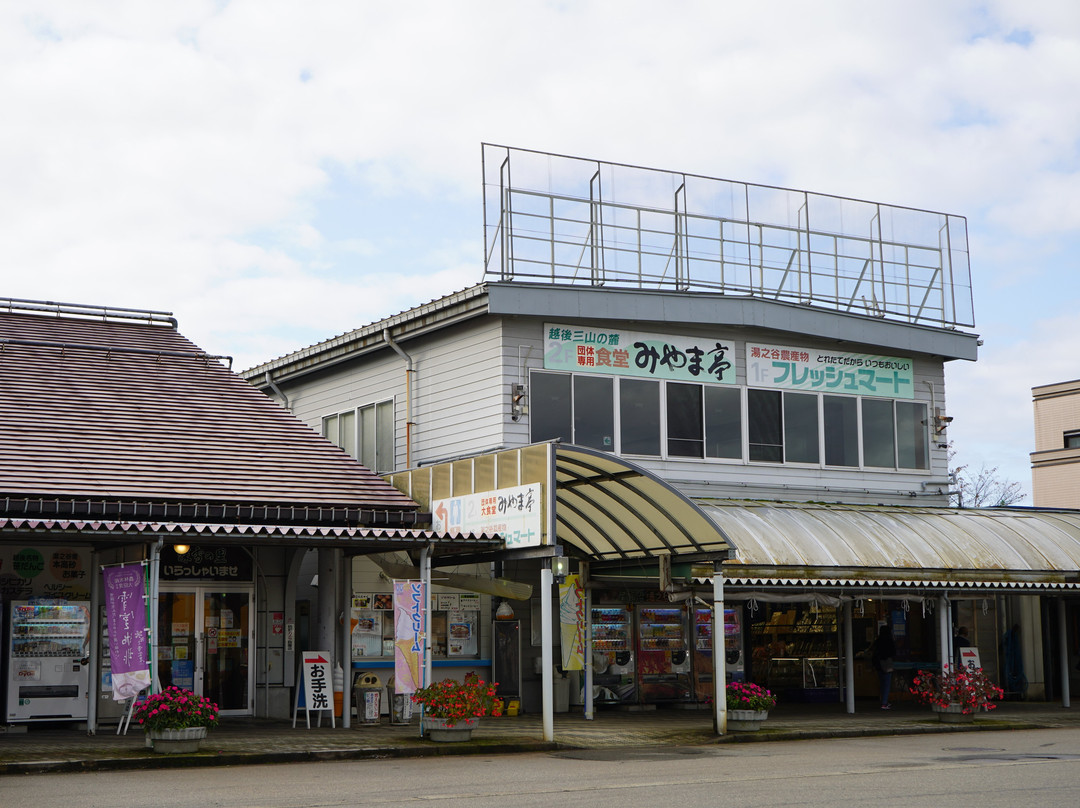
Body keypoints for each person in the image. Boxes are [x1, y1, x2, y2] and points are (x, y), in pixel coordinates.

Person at [871, 624, 896, 710]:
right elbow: (893, 652)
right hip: (887, 664)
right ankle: (884, 703)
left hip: (879, 665)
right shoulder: (890, 641)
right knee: (887, 684)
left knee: (882, 684)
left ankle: (883, 701)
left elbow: (873, 651)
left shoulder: (878, 641)